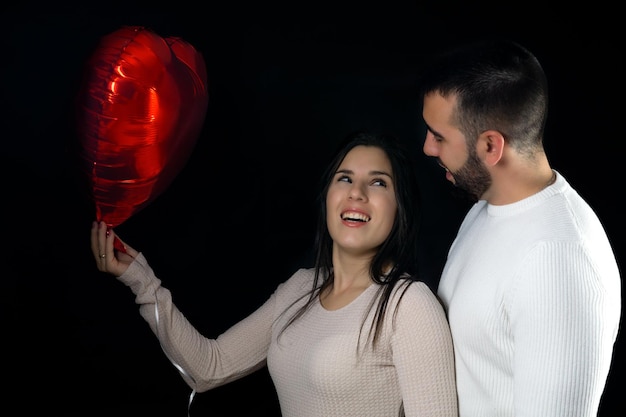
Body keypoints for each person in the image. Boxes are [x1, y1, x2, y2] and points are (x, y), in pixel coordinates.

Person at [91, 131, 459, 417]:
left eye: (378, 182)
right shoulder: (300, 288)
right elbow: (208, 367)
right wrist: (141, 280)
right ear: (327, 196)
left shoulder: (408, 305)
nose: (357, 193)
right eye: (344, 178)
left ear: (400, 209)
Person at [418, 38, 622, 417]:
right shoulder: (486, 208)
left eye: (440, 136)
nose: (428, 148)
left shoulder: (559, 260)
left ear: (491, 146)